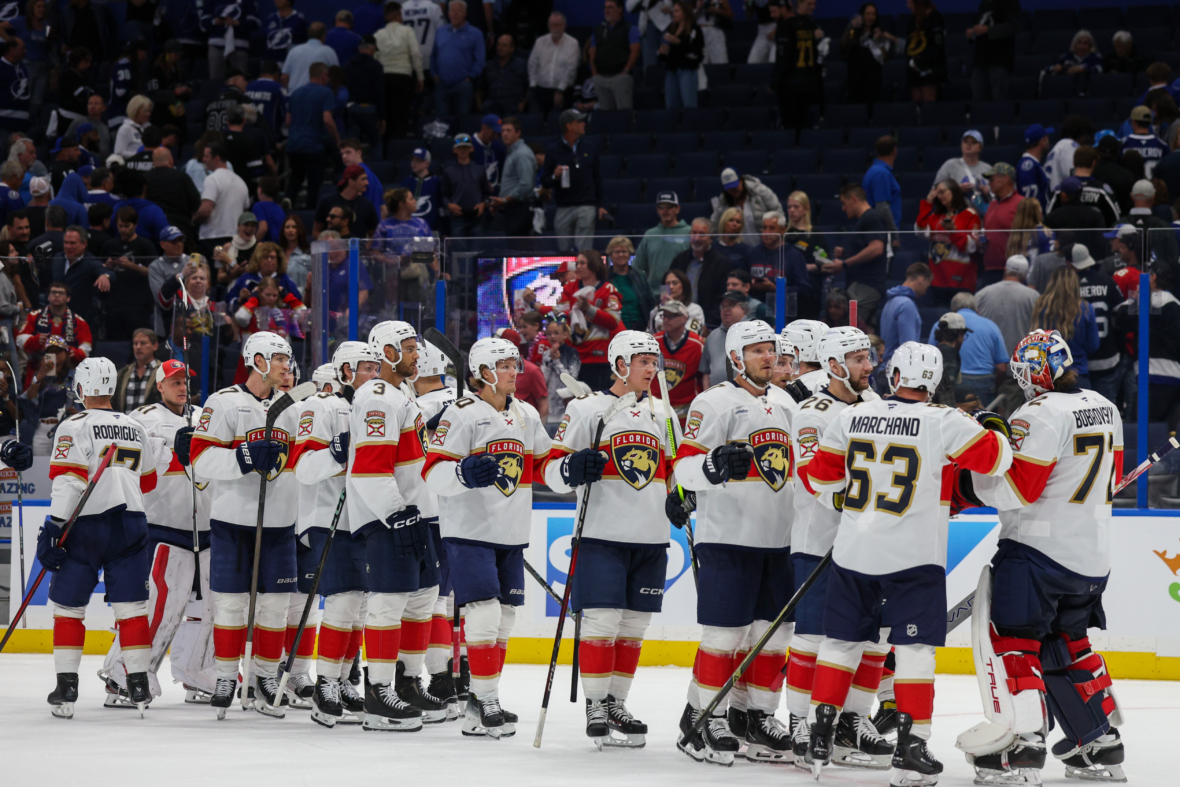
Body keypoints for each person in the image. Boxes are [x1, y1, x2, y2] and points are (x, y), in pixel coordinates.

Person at [800, 341, 1012, 783]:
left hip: (853, 552)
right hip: (913, 559)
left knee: (841, 642)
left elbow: (818, 479)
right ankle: (912, 746)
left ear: (894, 376)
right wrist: (990, 426)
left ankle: (819, 733)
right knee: (914, 652)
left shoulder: (853, 415)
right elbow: (998, 460)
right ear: (935, 381)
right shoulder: (944, 420)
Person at [957, 329, 1125, 785]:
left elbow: (1016, 489)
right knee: (1069, 644)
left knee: (1015, 642)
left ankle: (1023, 746)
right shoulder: (1104, 405)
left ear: (1031, 374)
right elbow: (1113, 478)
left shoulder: (1038, 412)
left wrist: (971, 477)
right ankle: (1100, 743)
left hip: (1037, 553)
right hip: (1092, 558)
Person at [672, 319, 794, 765]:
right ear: (736, 358)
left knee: (773, 636)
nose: (768, 357)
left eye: (771, 349)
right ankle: (706, 716)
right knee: (724, 636)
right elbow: (683, 468)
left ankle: (758, 716)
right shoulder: (713, 402)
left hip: (780, 539)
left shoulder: (786, 403)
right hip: (728, 538)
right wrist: (712, 465)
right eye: (758, 350)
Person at [543, 331, 671, 748]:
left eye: (654, 361)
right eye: (642, 361)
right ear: (619, 365)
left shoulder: (664, 412)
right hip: (601, 535)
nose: (651, 368)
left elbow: (673, 470)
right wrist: (572, 468)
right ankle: (596, 704)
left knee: (633, 628)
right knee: (601, 622)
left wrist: (682, 498)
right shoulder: (586, 409)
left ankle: (617, 703)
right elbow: (550, 470)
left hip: (652, 537)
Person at [423, 336, 551, 738]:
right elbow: (433, 471)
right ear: (483, 373)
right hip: (469, 531)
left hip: (511, 530)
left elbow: (545, 462)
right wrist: (462, 473)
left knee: (505, 617)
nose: (514, 372)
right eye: (505, 366)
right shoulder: (460, 413)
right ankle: (487, 699)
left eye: (515, 364)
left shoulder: (526, 413)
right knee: (484, 611)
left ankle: (480, 702)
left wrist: (572, 468)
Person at [785, 327, 886, 763]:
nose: (869, 365)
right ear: (833, 365)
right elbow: (812, 479)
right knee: (812, 636)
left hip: (868, 542)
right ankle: (800, 721)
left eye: (869, 356)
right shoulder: (812, 412)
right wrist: (866, 500)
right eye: (859, 358)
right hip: (819, 540)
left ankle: (851, 720)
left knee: (872, 637)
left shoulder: (877, 405)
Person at [189, 332, 303, 717]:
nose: (287, 366)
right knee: (231, 604)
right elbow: (200, 458)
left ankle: (266, 677)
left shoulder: (292, 408)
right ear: (257, 361)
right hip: (232, 521)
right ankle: (226, 676)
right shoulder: (223, 402)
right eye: (279, 358)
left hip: (281, 521)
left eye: (288, 358)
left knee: (275, 606)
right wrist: (243, 457)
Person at [339, 322, 445, 729]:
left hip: (415, 512)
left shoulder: (402, 394)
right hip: (390, 517)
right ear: (386, 352)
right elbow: (369, 467)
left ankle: (406, 681)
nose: (418, 355)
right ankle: (378, 691)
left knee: (423, 596)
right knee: (389, 600)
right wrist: (396, 512)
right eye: (410, 348)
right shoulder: (378, 397)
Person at [39, 357, 158, 718]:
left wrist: (54, 527)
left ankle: (67, 688)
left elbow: (69, 481)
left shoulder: (74, 425)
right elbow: (149, 480)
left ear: (81, 388)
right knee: (132, 609)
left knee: (69, 609)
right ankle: (138, 684)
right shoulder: (134, 425)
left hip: (86, 526)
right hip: (132, 523)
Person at [99, 358, 213, 706]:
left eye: (185, 381)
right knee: (162, 605)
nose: (182, 387)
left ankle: (197, 669)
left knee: (210, 606)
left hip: (206, 528)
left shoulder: (205, 415)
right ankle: (124, 672)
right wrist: (173, 450)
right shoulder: (142, 417)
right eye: (174, 381)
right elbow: (132, 462)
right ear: (159, 385)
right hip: (164, 526)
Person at [291, 342, 379, 723]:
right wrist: (336, 452)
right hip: (328, 517)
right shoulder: (322, 406)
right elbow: (303, 467)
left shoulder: (376, 407)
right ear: (345, 372)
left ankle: (342, 680)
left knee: (360, 605)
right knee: (344, 600)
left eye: (377, 368)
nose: (374, 375)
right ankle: (325, 682)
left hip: (364, 517)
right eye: (367, 368)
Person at [927, 291, 1009, 406]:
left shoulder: (940, 324)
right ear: (977, 310)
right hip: (983, 383)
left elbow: (930, 358)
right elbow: (1002, 368)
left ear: (953, 310)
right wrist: (994, 386)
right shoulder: (991, 326)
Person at [541, 109, 607, 253]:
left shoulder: (590, 148)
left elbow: (597, 178)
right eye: (579, 121)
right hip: (563, 206)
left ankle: (583, 268)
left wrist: (601, 205)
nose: (584, 124)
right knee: (564, 251)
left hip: (586, 205)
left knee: (584, 252)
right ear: (569, 126)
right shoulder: (553, 150)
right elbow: (545, 181)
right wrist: (554, 176)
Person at [1030, 266, 1099, 389]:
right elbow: (1093, 346)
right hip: (1077, 373)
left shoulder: (1041, 306)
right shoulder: (1085, 308)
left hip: (1048, 376)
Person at [828, 185, 888, 325]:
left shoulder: (872, 218)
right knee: (865, 328)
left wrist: (844, 263)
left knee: (852, 326)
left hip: (866, 285)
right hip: (860, 285)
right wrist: (846, 253)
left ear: (854, 199)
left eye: (844, 203)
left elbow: (876, 248)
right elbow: (866, 248)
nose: (843, 208)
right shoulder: (862, 221)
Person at [286, 63, 340, 211]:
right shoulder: (326, 93)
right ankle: (310, 214)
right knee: (314, 184)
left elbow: (288, 120)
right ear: (323, 76)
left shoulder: (296, 93)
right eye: (327, 76)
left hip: (294, 144)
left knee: (295, 180)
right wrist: (337, 139)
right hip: (314, 146)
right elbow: (327, 119)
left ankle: (286, 208)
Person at [916, 179, 981, 300]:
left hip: (961, 279)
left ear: (954, 191)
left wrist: (953, 231)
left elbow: (972, 247)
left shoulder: (970, 214)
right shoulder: (935, 216)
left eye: (942, 192)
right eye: (937, 193)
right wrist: (928, 204)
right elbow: (920, 232)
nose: (939, 196)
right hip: (937, 278)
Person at [774, 0, 824, 136]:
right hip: (795, 83)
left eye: (814, 4)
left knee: (800, 126)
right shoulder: (796, 25)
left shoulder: (811, 24)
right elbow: (783, 57)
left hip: (804, 83)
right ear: (799, 3)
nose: (812, 7)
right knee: (794, 126)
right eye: (809, 3)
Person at [375, 2, 423, 141]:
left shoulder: (378, 34)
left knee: (387, 115)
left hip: (385, 78)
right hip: (403, 78)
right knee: (401, 115)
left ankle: (386, 149)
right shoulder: (407, 31)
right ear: (397, 15)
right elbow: (415, 54)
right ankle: (400, 146)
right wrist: (420, 77)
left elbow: (375, 57)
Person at [193, 143, 250, 262]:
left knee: (211, 273)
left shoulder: (212, 179)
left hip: (212, 239)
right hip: (235, 239)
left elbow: (205, 211)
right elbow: (245, 214)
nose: (203, 159)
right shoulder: (241, 182)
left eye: (206, 156)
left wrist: (194, 220)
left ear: (217, 159)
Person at [976, 254, 1040, 356]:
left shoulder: (983, 294)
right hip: (1019, 359)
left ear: (1006, 270)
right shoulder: (1033, 297)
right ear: (1025, 275)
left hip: (987, 358)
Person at [431, 1, 485, 116]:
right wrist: (434, 74)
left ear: (465, 13)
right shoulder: (440, 32)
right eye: (452, 11)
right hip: (442, 85)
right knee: (442, 121)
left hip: (463, 85)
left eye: (459, 11)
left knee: (463, 120)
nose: (455, 13)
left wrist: (470, 77)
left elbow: (480, 59)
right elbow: (434, 55)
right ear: (448, 13)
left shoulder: (476, 33)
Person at [51, 227, 111, 327]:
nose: (68, 246)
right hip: (58, 318)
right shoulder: (58, 259)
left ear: (84, 244)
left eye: (72, 243)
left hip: (82, 320)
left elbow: (106, 272)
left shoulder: (91, 262)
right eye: (66, 242)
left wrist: (104, 276)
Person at [653, 301, 706, 415]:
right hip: (657, 409)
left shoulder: (698, 345)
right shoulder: (653, 342)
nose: (665, 320)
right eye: (664, 316)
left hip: (687, 411)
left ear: (684, 318)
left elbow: (704, 377)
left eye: (670, 316)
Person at [632, 191, 691, 291]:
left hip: (681, 292)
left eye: (669, 206)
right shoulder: (650, 235)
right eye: (661, 207)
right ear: (657, 210)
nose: (665, 210)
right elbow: (637, 266)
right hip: (655, 292)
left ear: (677, 209)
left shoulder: (690, 232)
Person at [709, 168, 783, 247]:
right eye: (729, 188)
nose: (733, 190)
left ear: (741, 180)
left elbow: (778, 214)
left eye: (735, 186)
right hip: (740, 248)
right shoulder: (723, 201)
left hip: (766, 245)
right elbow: (714, 224)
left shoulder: (761, 192)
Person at [879, 262, 932, 369]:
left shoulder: (891, 302)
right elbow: (909, 348)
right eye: (927, 285)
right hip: (898, 372)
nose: (925, 292)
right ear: (922, 279)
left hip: (886, 369)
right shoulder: (907, 305)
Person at [590, 0, 640, 111]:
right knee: (605, 114)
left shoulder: (630, 28)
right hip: (601, 77)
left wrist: (625, 71)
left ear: (620, 9)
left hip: (620, 77)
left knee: (624, 112)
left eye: (610, 7)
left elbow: (635, 51)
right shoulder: (598, 29)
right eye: (605, 8)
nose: (606, 10)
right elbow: (592, 51)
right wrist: (594, 73)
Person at [841, 3, 896, 105]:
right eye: (868, 14)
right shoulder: (854, 32)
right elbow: (843, 46)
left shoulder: (879, 32)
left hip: (873, 77)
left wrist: (879, 41)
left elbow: (885, 57)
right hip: (855, 77)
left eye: (873, 14)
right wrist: (850, 27)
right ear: (862, 15)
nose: (871, 17)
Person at [980, 162, 1024, 286]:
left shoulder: (1022, 203)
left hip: (1012, 270)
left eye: (992, 179)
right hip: (990, 268)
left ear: (1005, 179)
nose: (989, 183)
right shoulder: (992, 204)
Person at [441, 133, 492, 240]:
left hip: (477, 217)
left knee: (477, 248)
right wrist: (449, 205)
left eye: (465, 148)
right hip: (457, 217)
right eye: (460, 148)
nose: (463, 151)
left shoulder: (479, 170)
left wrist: (483, 204)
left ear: (471, 148)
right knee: (459, 248)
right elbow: (444, 195)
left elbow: (486, 193)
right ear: (455, 150)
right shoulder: (448, 171)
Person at [528, 12, 580, 115]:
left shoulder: (573, 43)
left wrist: (560, 90)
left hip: (563, 90)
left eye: (557, 25)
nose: (554, 28)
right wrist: (533, 84)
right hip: (540, 89)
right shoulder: (540, 41)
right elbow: (532, 64)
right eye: (552, 25)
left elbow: (571, 69)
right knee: (535, 116)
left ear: (564, 26)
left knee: (557, 118)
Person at [967, 0, 1020, 101]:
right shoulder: (984, 4)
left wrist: (988, 30)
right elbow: (980, 25)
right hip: (980, 58)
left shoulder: (1010, 3)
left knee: (999, 98)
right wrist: (973, 33)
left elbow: (1013, 27)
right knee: (978, 98)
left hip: (999, 58)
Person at [494, 117, 538, 239]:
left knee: (519, 247)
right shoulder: (513, 152)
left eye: (509, 130)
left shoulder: (521, 154)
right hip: (513, 208)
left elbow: (526, 185)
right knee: (514, 246)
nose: (504, 134)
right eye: (503, 131)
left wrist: (504, 200)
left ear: (518, 133)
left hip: (520, 209)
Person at [1121, 180, 1179, 268]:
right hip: (1156, 274)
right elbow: (1172, 259)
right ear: (1153, 197)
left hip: (1124, 274)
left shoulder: (1119, 225)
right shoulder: (1163, 227)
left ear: (1131, 196)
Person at [658, 1, 705, 109]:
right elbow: (670, 54)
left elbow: (695, 52)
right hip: (671, 71)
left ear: (685, 13)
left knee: (689, 106)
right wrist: (663, 52)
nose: (674, 13)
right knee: (671, 107)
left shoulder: (694, 29)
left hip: (687, 70)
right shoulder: (672, 29)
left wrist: (678, 42)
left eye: (677, 11)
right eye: (673, 11)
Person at [605, 235, 654, 331]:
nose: (621, 255)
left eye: (624, 251)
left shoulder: (640, 276)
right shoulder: (605, 278)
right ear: (610, 256)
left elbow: (650, 303)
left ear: (629, 254)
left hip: (640, 328)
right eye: (617, 252)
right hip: (613, 328)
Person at [539, 315, 580, 425]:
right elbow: (543, 380)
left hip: (566, 404)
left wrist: (557, 362)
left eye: (556, 333)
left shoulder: (572, 353)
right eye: (549, 334)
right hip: (550, 405)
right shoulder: (546, 354)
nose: (552, 336)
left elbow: (571, 380)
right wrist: (549, 361)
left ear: (565, 334)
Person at [933, 130, 991, 204]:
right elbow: (935, 190)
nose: (969, 144)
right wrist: (957, 190)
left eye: (973, 142)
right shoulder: (950, 165)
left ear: (980, 147)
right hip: (957, 209)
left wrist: (987, 192)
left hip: (983, 210)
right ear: (961, 145)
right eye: (966, 142)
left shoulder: (987, 168)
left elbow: (995, 195)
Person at [905, 0, 946, 103]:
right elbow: (909, 44)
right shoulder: (913, 20)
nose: (908, 5)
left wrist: (921, 61)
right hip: (914, 70)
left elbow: (937, 46)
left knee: (929, 104)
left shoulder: (934, 17)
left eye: (910, 1)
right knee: (917, 104)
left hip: (930, 69)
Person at [111, 328, 161, 412]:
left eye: (143, 343)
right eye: (135, 344)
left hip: (153, 420)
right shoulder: (123, 373)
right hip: (126, 419)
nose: (138, 347)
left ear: (155, 346)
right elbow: (113, 402)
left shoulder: (163, 371)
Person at [283, 21, 340, 93]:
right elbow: (336, 77)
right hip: (319, 96)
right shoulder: (329, 52)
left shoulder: (294, 51)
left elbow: (284, 77)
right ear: (324, 36)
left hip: (295, 95)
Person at [650, 267, 707, 335]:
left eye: (675, 283)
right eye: (667, 284)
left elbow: (690, 335)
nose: (671, 287)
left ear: (684, 286)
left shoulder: (695, 309)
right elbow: (649, 334)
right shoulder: (657, 310)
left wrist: (673, 306)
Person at [482, 34, 528, 115]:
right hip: (492, 105)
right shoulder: (489, 65)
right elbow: (481, 87)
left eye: (504, 45)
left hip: (513, 105)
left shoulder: (521, 64)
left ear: (512, 48)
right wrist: (480, 105)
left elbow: (529, 86)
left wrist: (524, 102)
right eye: (499, 45)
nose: (500, 48)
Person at [864, 136, 902, 229]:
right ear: (895, 150)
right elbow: (882, 208)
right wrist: (893, 233)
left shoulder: (875, 170)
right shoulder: (881, 173)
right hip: (883, 231)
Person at [401, 147, 443, 232]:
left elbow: (441, 207)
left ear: (427, 163)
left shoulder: (436, 182)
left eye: (418, 161)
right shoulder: (407, 182)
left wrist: (444, 230)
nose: (413, 163)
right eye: (413, 160)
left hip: (431, 228)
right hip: (410, 229)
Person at [1121, 106, 1169, 178]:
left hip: (1130, 184)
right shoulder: (1162, 146)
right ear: (1149, 123)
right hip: (1153, 184)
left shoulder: (1123, 144)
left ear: (1133, 122)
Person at [1018, 124, 1054, 209]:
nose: (1048, 141)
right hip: (1035, 216)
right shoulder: (1028, 166)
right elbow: (1029, 203)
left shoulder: (1032, 164)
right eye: (1047, 138)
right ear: (1042, 142)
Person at [113, 95, 153, 160]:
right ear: (135, 111)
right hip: (132, 164)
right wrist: (141, 155)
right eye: (145, 111)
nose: (148, 114)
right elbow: (119, 152)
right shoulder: (126, 128)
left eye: (149, 111)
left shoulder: (149, 127)